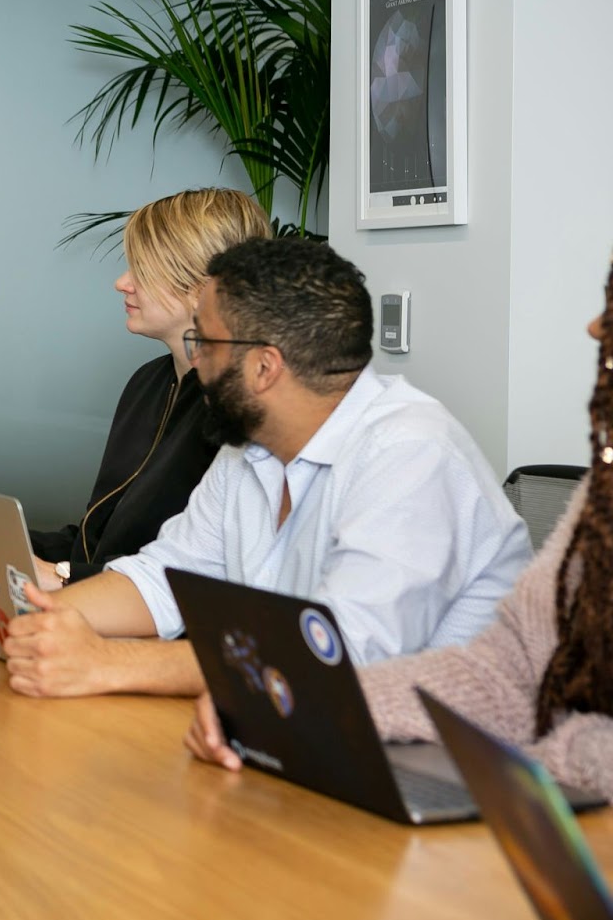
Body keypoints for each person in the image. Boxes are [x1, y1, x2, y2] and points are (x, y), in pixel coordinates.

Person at [0, 238, 532, 698]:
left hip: (449, 777)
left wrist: (109, 664)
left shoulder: (412, 454)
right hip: (312, 740)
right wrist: (5, 619)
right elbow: (164, 579)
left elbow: (338, 654)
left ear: (265, 367)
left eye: (205, 345)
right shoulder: (253, 449)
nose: (197, 364)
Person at [187, 263, 613, 799]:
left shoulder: (411, 446)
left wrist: (553, 764)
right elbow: (508, 671)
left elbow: (351, 644)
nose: (595, 327)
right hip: (503, 787)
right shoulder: (602, 496)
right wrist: (286, 698)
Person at [0, 187, 271, 587]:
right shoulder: (148, 384)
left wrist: (57, 577)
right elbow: (90, 543)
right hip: (99, 606)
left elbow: (189, 581)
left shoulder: (239, 410)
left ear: (201, 284)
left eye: (142, 269)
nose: (122, 283)